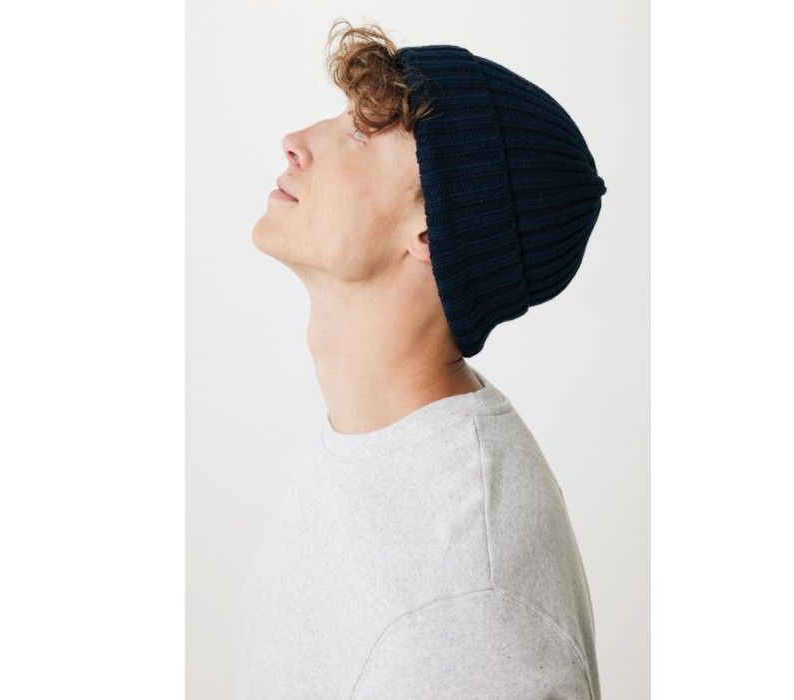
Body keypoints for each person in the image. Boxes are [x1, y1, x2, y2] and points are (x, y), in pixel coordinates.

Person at [240, 17, 608, 700]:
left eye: (360, 134)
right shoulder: (365, 440)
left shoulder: (466, 611)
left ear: (432, 233)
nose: (295, 141)